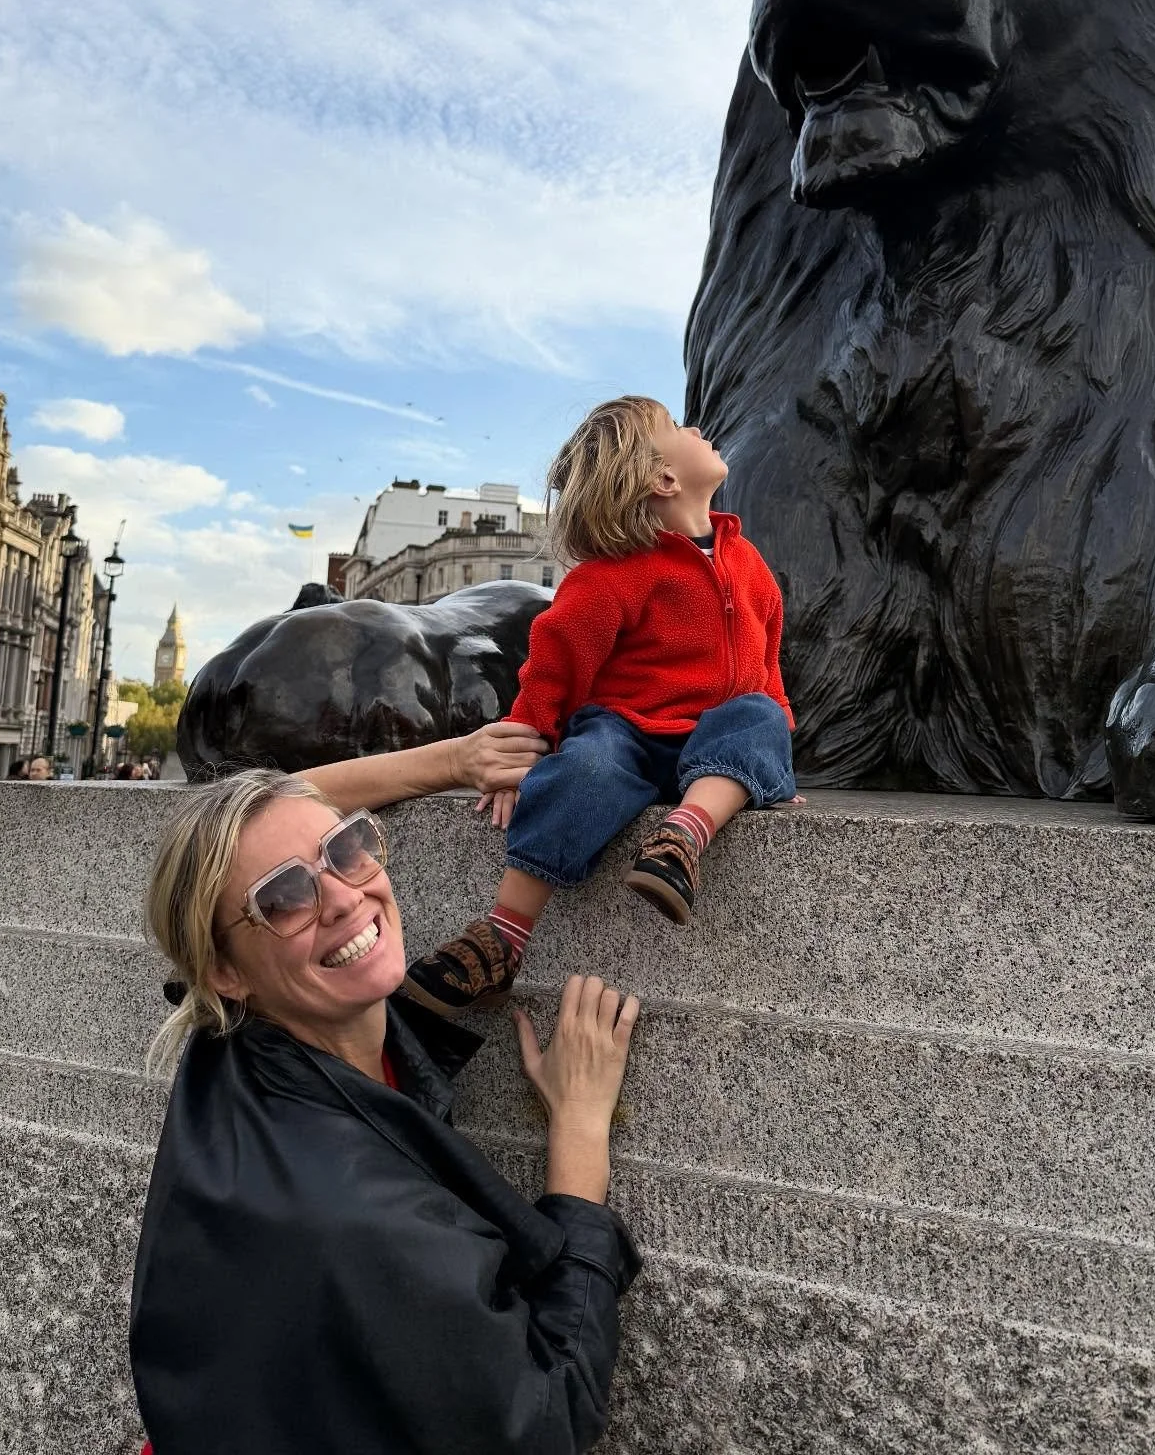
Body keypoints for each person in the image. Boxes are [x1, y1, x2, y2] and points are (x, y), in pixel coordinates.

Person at [130, 732, 639, 1455]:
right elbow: (548, 1419)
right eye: (283, 899)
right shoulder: (360, 1218)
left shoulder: (233, 1035)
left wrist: (456, 761)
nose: (342, 897)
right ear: (225, 972)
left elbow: (260, 820)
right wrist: (581, 1136)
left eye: (345, 848)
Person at [403, 395, 795, 1019]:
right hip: (629, 733)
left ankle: (683, 837)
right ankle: (502, 938)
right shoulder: (612, 572)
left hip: (716, 738)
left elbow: (769, 671)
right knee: (583, 767)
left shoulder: (749, 564)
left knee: (758, 716)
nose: (695, 427)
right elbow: (555, 661)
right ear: (662, 479)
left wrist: (766, 768)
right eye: (674, 426)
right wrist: (524, 739)